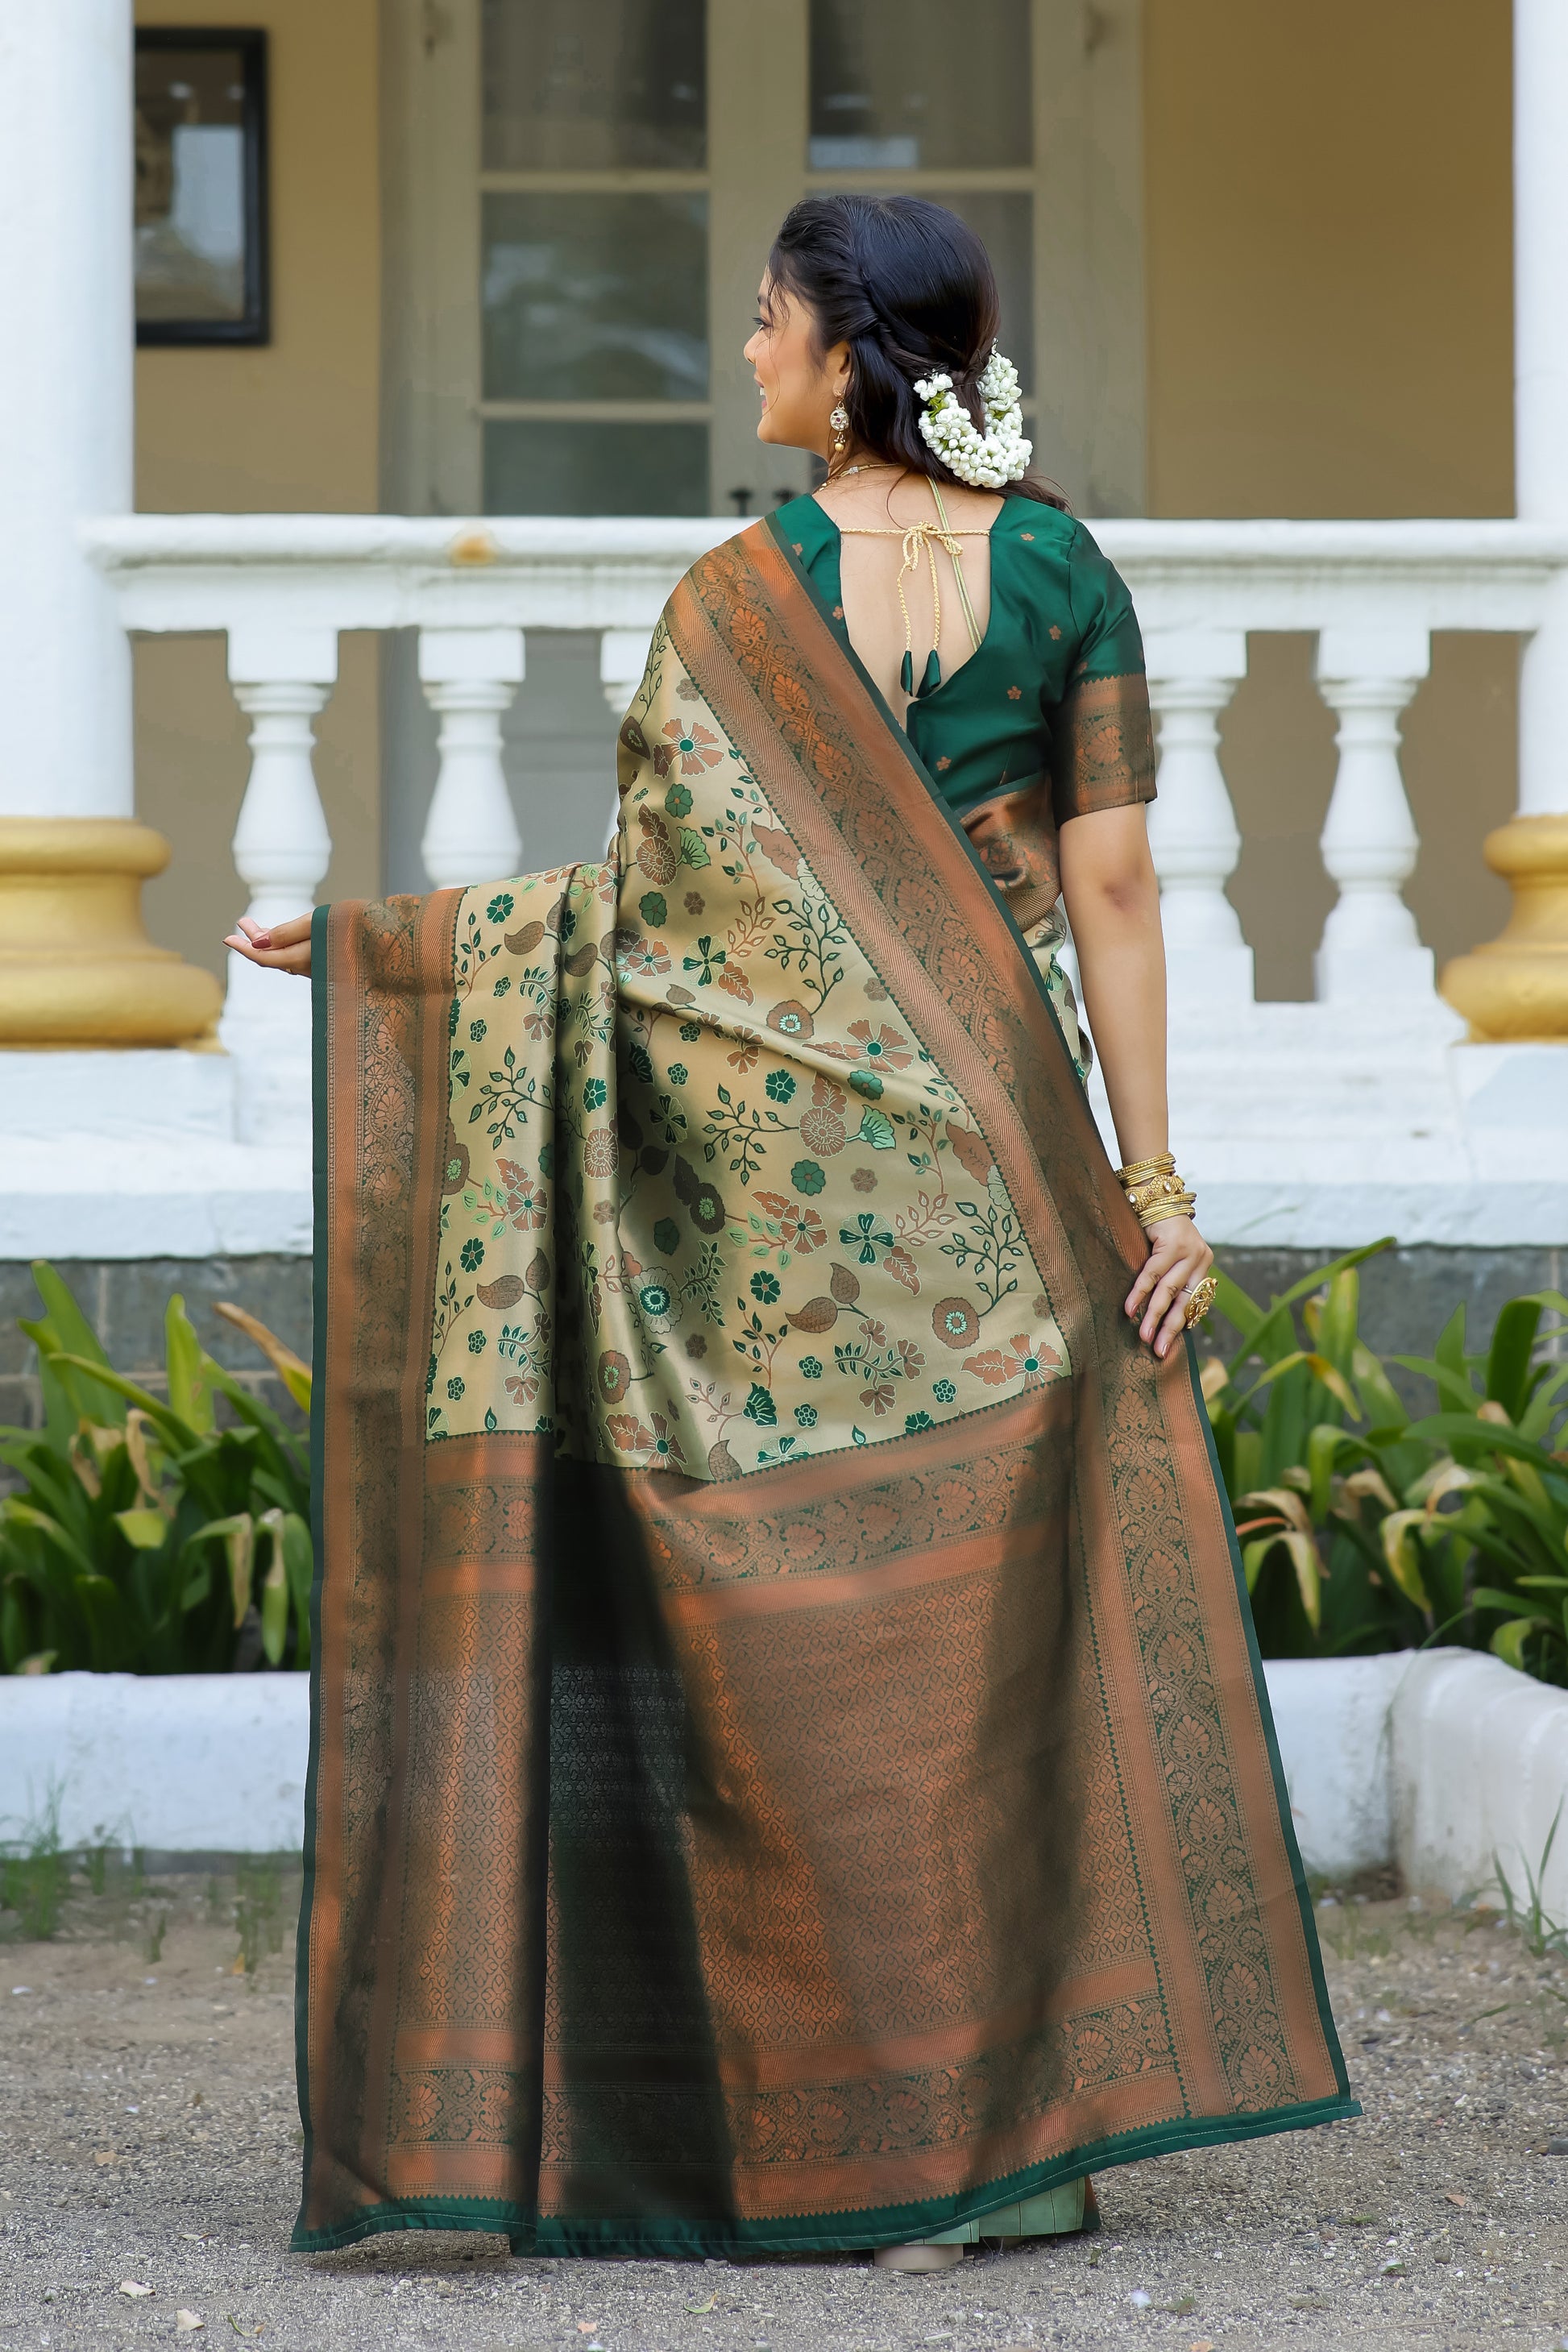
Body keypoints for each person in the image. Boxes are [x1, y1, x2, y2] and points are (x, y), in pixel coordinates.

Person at [229, 195, 1353, 2270]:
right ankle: (1007, 2151)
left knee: (806, 1655)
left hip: (763, 1214)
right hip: (1001, 1174)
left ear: (849, 361)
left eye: (764, 324)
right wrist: (1153, 1184)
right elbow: (1115, 890)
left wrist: (404, 949)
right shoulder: (1061, 572)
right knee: (979, 1663)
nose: (744, 355)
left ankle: (847, 2139)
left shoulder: (740, 598)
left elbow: (657, 921)